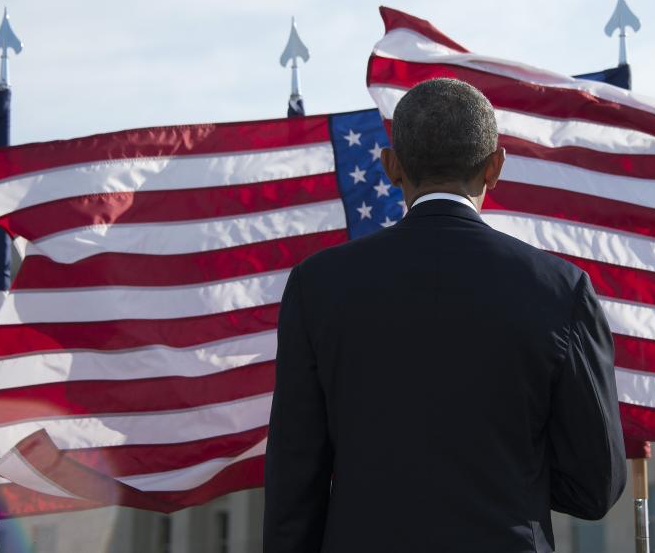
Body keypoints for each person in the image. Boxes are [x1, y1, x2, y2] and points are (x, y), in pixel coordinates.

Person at [263, 78, 625, 553]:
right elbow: (596, 485)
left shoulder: (318, 285)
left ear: (391, 166)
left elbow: (295, 479)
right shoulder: (561, 289)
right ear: (494, 167)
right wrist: (512, 475)